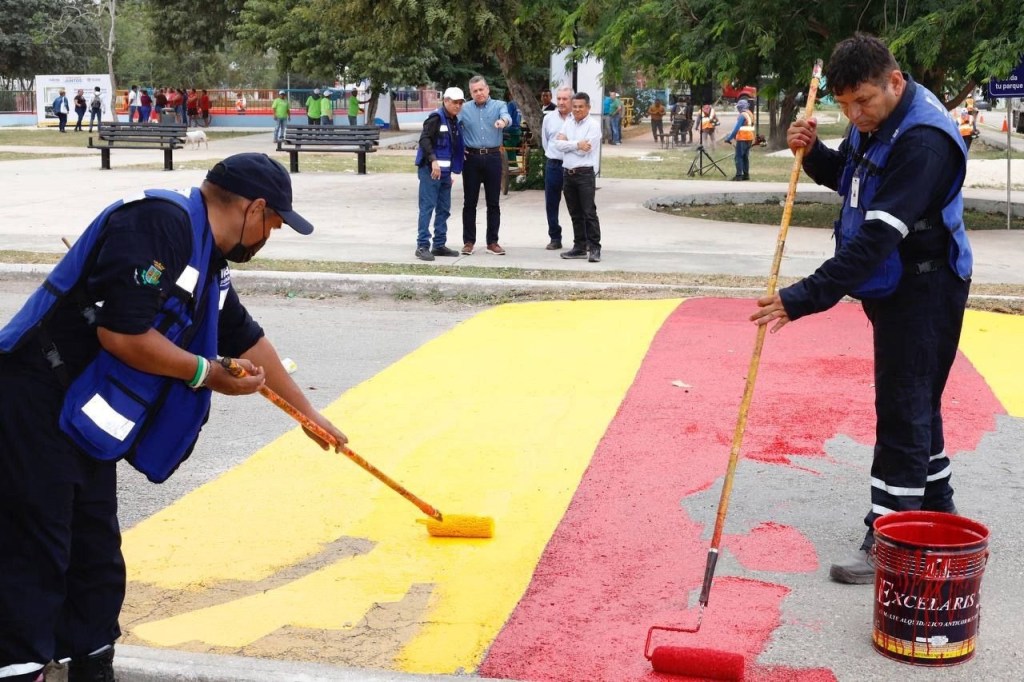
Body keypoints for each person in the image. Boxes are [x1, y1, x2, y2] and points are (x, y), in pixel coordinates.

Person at [0, 153, 348, 682]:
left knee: (95, 556)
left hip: (78, 411)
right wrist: (206, 373)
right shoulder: (159, 224)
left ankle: (91, 666)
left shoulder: (207, 258)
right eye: (274, 225)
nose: (268, 237)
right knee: (37, 552)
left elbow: (244, 336)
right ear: (254, 209)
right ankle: (20, 667)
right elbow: (122, 335)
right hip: (32, 397)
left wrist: (308, 415)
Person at [750, 33, 972, 585]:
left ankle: (892, 540)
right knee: (917, 399)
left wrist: (802, 298)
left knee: (903, 406)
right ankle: (937, 509)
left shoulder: (923, 141)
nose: (855, 115)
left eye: (863, 102)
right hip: (896, 284)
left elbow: (875, 239)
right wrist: (813, 154)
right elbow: (853, 181)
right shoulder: (875, 119)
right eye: (845, 105)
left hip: (927, 286)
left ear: (894, 81)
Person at [457, 75, 511, 256]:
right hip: (471, 159)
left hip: (493, 157)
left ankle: (492, 242)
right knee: (469, 202)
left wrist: (502, 122)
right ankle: (468, 242)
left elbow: (507, 117)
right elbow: (453, 126)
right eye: (475, 91)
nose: (479, 93)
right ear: (470, 93)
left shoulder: (499, 105)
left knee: (493, 202)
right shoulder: (464, 109)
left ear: (487, 89)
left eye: (481, 89)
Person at [414, 87, 466, 261]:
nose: (458, 106)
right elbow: (424, 139)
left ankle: (439, 244)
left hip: (445, 173)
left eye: (460, 103)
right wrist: (433, 160)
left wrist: (452, 170)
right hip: (430, 171)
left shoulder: (454, 121)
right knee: (427, 208)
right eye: (455, 102)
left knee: (444, 209)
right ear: (446, 101)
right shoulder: (436, 117)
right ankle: (422, 246)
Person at [553, 92, 603, 263]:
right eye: (574, 106)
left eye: (581, 106)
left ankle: (594, 247)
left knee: (589, 212)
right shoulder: (568, 122)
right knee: (575, 213)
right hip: (568, 174)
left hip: (584, 174)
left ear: (588, 107)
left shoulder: (593, 126)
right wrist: (576, 144)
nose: (577, 109)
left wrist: (569, 144)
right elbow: (558, 144)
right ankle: (579, 247)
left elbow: (585, 150)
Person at [541, 85, 573, 250]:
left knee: (577, 204)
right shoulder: (549, 118)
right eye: (559, 98)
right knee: (551, 203)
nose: (561, 102)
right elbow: (545, 142)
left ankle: (582, 239)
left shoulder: (577, 118)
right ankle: (555, 237)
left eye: (565, 99)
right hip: (554, 164)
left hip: (572, 166)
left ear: (572, 100)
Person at [723, 99, 755, 180]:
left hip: (742, 138)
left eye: (738, 107)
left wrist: (729, 138)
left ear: (741, 107)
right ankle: (746, 175)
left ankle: (738, 176)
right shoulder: (750, 114)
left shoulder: (742, 115)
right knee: (745, 157)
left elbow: (736, 128)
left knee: (738, 157)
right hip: (750, 138)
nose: (737, 109)